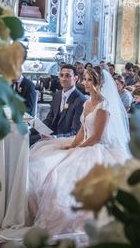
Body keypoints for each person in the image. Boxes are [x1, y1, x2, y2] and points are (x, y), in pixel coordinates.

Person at [27, 68, 131, 237]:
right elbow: (83, 130)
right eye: (85, 79)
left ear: (100, 83)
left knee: (63, 179)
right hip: (82, 143)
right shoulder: (87, 103)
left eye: (89, 80)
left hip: (96, 149)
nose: (85, 83)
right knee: (42, 161)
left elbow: (96, 136)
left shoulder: (104, 106)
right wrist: (73, 145)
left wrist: (78, 149)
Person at [29, 64, 85, 146]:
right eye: (61, 75)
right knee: (25, 138)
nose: (63, 79)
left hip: (64, 139)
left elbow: (75, 131)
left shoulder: (81, 100)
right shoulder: (57, 95)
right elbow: (49, 119)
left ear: (75, 78)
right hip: (51, 133)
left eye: (67, 76)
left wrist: (55, 137)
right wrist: (30, 131)